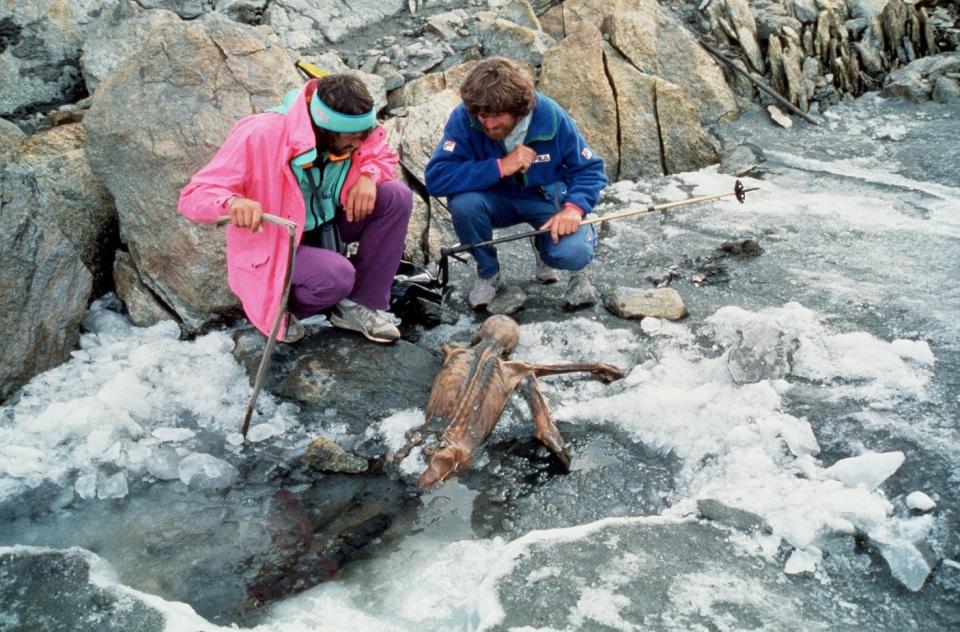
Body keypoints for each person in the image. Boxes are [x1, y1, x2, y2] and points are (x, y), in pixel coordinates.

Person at [179, 74, 413, 344]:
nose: (359, 145)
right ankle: (283, 311)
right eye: (351, 139)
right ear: (324, 129)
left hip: (327, 225)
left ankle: (357, 305)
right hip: (277, 242)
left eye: (363, 136)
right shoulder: (261, 134)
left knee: (396, 195)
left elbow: (379, 152)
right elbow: (193, 195)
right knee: (337, 276)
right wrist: (233, 203)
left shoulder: (360, 133)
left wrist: (369, 177)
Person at [424, 56, 607, 309]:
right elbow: (436, 177)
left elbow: (590, 169)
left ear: (519, 111)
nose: (487, 123)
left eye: (496, 115)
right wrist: (500, 167)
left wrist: (574, 209)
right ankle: (489, 274)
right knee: (464, 205)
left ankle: (544, 245)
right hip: (493, 200)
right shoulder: (465, 118)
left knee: (573, 253)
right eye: (481, 115)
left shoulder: (551, 115)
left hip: (544, 198)